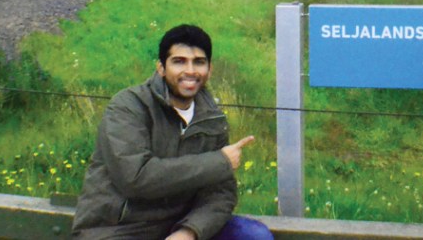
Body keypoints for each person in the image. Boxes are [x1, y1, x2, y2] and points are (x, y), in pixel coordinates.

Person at [72, 25, 273, 240]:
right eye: (179, 61)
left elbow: (220, 195)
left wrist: (189, 231)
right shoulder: (128, 107)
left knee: (254, 236)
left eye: (199, 62)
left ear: (210, 69)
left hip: (178, 226)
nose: (190, 71)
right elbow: (136, 178)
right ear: (161, 68)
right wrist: (219, 162)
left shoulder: (212, 118)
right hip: (120, 230)